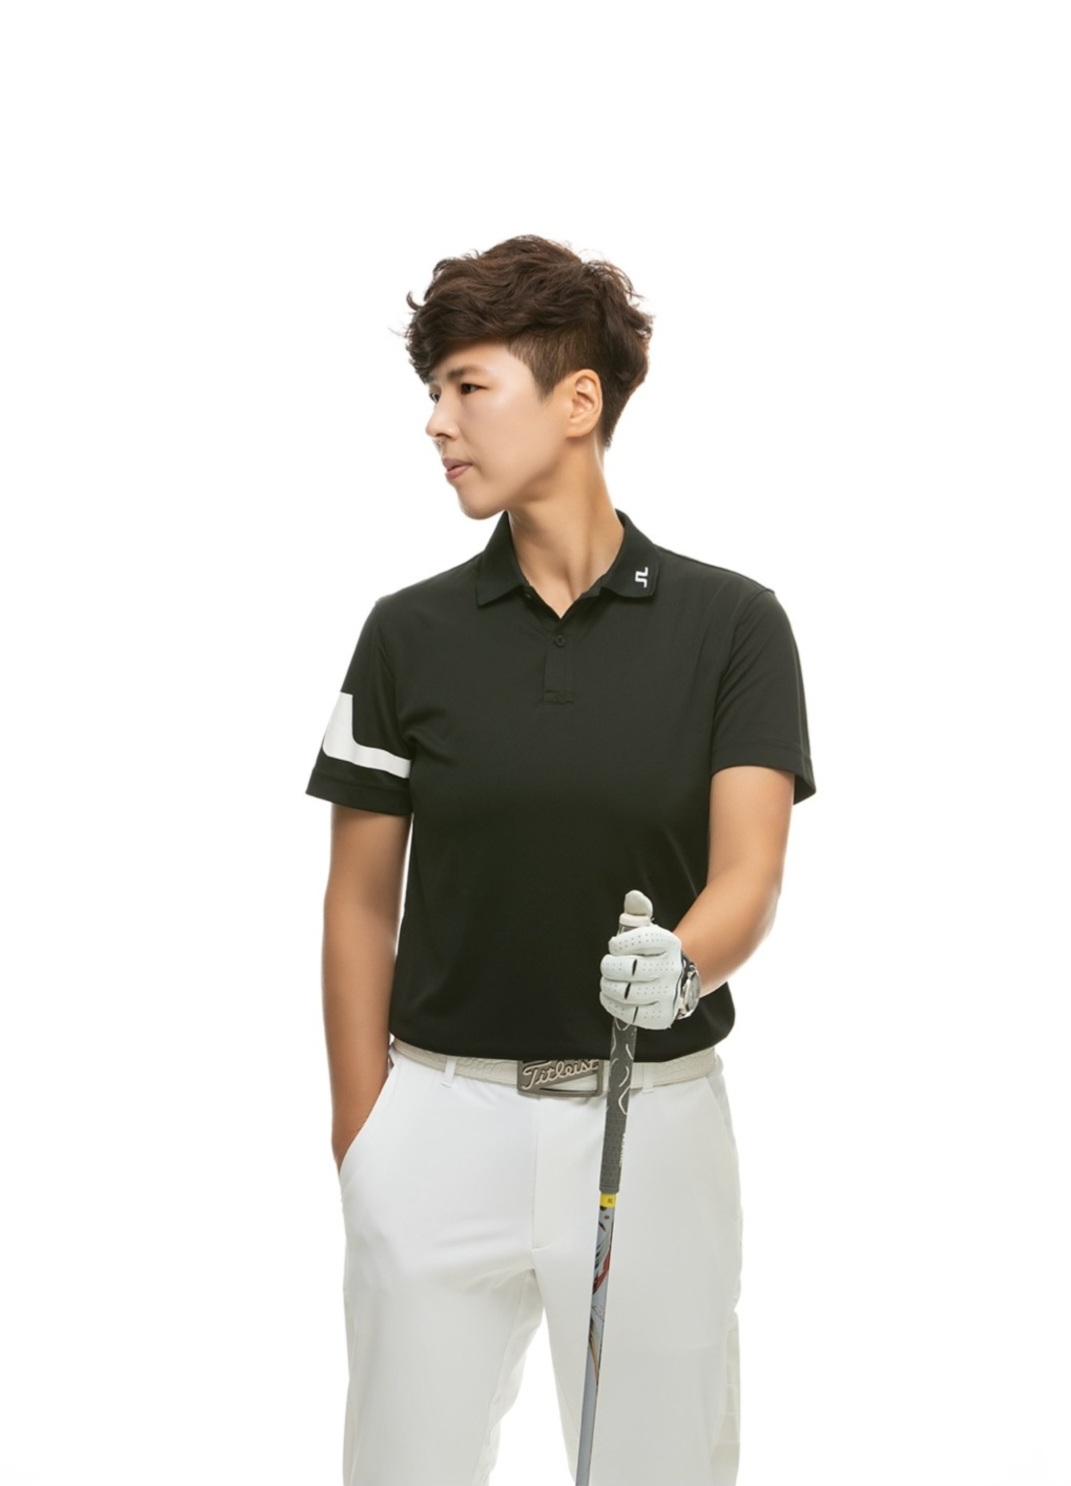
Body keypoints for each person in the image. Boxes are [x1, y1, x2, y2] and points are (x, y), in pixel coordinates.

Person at [306, 235, 815, 1486]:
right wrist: (366, 1137)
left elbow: (749, 873)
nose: (437, 422)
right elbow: (360, 903)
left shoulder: (733, 625)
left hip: (655, 1122)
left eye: (467, 386)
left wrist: (682, 961)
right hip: (437, 1125)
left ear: (577, 400)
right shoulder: (406, 635)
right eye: (434, 391)